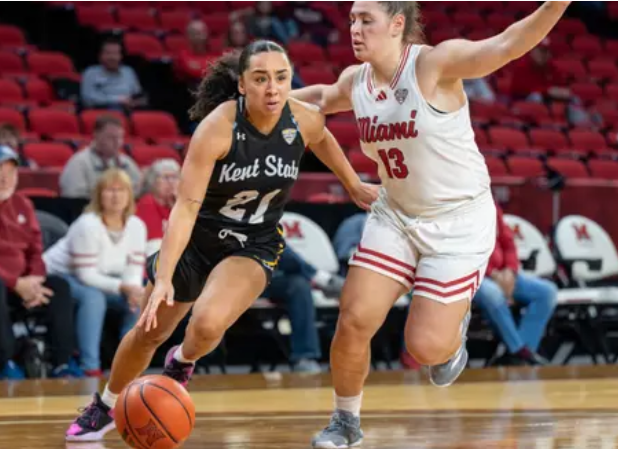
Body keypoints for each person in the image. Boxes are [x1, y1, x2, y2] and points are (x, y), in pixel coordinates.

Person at [65, 39, 378, 442]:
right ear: (243, 84)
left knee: (208, 324)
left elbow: (321, 138)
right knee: (149, 331)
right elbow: (185, 208)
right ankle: (105, 405)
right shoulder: (218, 127)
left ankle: (183, 360)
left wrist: (351, 183)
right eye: (261, 78)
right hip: (200, 237)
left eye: (281, 78)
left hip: (255, 242)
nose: (273, 88)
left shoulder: (302, 118)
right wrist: (163, 278)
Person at [291, 2, 572, 447]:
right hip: (397, 214)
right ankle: (346, 421)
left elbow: (508, 43)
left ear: (397, 24)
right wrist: (258, 101)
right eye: (351, 19)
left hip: (458, 220)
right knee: (354, 316)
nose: (355, 29)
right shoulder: (357, 80)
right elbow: (322, 99)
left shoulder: (434, 64)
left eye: (367, 20)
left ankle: (452, 335)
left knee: (425, 348)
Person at [44, 169, 146, 377]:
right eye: (110, 190)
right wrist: (122, 287)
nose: (116, 196)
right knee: (93, 298)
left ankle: (127, 365)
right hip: (60, 275)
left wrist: (133, 291)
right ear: (99, 195)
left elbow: (134, 270)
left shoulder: (137, 226)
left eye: (121, 190)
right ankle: (90, 366)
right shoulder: (87, 224)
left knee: (138, 300)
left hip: (105, 278)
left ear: (129, 195)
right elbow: (86, 276)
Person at [0, 146, 80, 379]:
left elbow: (36, 250)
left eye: (11, 172)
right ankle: (4, 362)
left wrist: (33, 280)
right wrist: (15, 283)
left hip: (24, 284)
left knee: (59, 287)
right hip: (6, 283)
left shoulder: (23, 204)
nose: (5, 178)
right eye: (0, 171)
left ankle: (62, 362)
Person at [473, 204, 557, 366]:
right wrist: (492, 274)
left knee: (547, 292)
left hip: (504, 274)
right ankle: (519, 349)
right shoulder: (456, 206)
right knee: (493, 294)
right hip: (473, 275)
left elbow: (508, 242)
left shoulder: (490, 204)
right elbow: (463, 250)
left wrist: (510, 270)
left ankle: (520, 355)